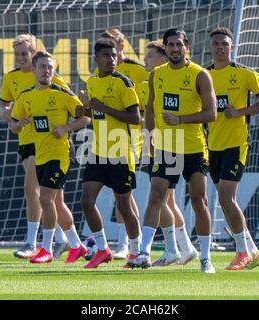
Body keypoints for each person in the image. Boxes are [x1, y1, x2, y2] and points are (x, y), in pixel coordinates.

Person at [128, 29, 217, 273]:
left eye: (179, 44)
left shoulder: (200, 75)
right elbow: (149, 109)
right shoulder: (157, 74)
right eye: (170, 45)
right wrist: (149, 137)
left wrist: (181, 119)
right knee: (156, 196)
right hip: (165, 148)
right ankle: (143, 252)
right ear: (165, 48)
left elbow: (211, 113)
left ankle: (205, 258)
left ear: (186, 46)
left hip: (194, 149)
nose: (175, 49)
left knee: (199, 201)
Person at [0, 34, 79, 260]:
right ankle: (72, 242)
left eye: (25, 53)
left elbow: (71, 104)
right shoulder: (11, 78)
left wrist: (66, 127)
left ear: (33, 54)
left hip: (50, 143)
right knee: (51, 199)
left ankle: (32, 242)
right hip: (27, 140)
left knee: (33, 190)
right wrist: (5, 114)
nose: (20, 57)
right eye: (17, 54)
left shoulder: (52, 78)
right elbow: (3, 105)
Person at [11, 51, 90, 263]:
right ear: (34, 69)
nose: (46, 71)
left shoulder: (63, 94)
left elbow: (85, 119)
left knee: (44, 198)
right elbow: (14, 126)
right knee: (55, 202)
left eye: (50, 67)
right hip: (40, 155)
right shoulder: (25, 96)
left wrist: (66, 127)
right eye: (43, 67)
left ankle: (45, 248)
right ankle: (76, 244)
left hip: (60, 154)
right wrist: (19, 124)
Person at [207, 27, 259, 270]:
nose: (220, 47)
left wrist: (241, 112)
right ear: (210, 47)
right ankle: (252, 250)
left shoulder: (245, 74)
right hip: (212, 144)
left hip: (236, 143)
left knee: (227, 198)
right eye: (216, 43)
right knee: (225, 202)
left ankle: (242, 252)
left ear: (232, 46)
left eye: (224, 43)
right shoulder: (203, 75)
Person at [77, 38, 142, 269]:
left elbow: (136, 118)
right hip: (98, 150)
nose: (111, 60)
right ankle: (103, 249)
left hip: (120, 151)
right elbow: (92, 114)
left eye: (114, 55)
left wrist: (104, 108)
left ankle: (136, 252)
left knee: (124, 205)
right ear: (96, 58)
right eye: (106, 56)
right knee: (86, 200)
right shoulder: (92, 81)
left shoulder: (123, 82)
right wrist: (84, 108)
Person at [138, 41, 198, 267]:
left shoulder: (167, 80)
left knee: (159, 198)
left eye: (150, 55)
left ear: (163, 59)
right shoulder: (150, 81)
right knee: (166, 200)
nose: (145, 59)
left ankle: (172, 248)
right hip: (157, 143)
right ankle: (183, 247)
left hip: (169, 145)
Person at [98, 28, 149, 260]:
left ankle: (128, 245)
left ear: (122, 47)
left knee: (126, 196)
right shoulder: (99, 75)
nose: (112, 52)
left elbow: (142, 107)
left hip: (132, 138)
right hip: (104, 142)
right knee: (121, 197)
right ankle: (127, 244)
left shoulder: (137, 72)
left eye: (116, 45)